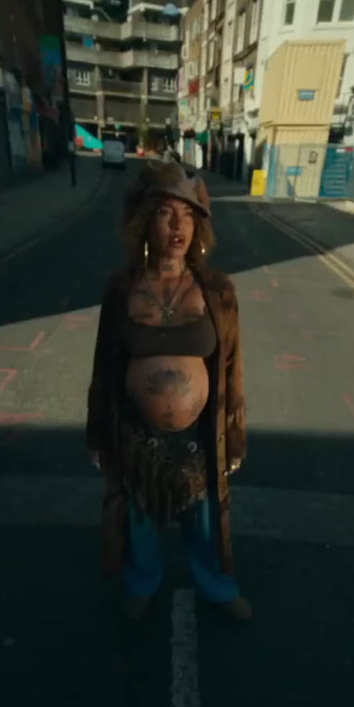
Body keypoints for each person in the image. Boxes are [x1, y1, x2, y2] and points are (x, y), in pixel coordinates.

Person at [87, 161, 250, 621]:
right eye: (164, 213)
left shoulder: (218, 289)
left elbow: (233, 368)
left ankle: (217, 589)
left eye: (187, 214)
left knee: (205, 525)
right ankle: (142, 584)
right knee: (140, 520)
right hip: (136, 435)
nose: (177, 225)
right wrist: (97, 434)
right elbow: (103, 366)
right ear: (144, 221)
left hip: (198, 440)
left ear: (199, 225)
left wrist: (235, 437)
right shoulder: (120, 289)